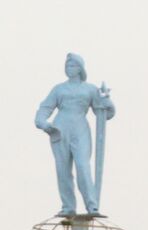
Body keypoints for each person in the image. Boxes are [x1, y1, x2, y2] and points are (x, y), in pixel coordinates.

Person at [33, 52, 115, 217]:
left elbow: (106, 113)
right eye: (67, 66)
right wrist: (43, 123)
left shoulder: (90, 89)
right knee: (62, 169)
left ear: (80, 69)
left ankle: (92, 205)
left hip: (80, 129)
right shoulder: (59, 89)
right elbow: (45, 108)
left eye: (72, 66)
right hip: (60, 129)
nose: (69, 69)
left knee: (83, 166)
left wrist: (107, 100)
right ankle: (68, 206)